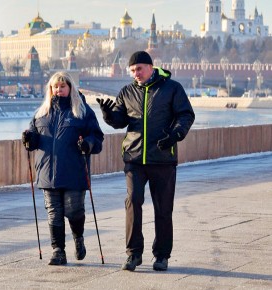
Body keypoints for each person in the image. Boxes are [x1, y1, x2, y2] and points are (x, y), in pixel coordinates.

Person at [96, 51, 195, 271]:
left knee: (163, 209)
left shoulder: (172, 88)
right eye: (132, 70)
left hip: (162, 158)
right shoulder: (127, 91)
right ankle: (133, 254)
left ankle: (161, 255)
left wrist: (175, 135)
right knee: (133, 201)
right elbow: (120, 121)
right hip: (134, 158)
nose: (136, 74)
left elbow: (186, 115)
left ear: (151, 67)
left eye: (139, 69)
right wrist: (108, 115)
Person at [22, 71, 104, 266]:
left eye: (62, 86)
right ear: (50, 89)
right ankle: (58, 250)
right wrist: (28, 139)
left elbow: (97, 139)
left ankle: (78, 237)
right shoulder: (41, 113)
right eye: (55, 87)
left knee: (74, 211)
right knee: (54, 213)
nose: (58, 90)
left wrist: (88, 144)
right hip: (47, 172)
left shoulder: (82, 112)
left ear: (70, 88)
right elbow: (33, 141)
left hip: (74, 171)